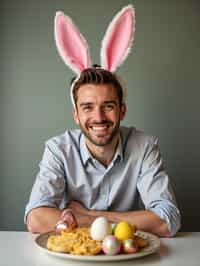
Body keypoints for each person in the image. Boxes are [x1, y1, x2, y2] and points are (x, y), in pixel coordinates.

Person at [25, 5, 181, 237]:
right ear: (76, 114)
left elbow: (167, 221)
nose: (98, 118)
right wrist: (125, 221)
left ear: (122, 111)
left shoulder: (145, 146)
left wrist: (86, 216)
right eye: (88, 107)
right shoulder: (58, 149)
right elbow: (36, 219)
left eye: (108, 106)